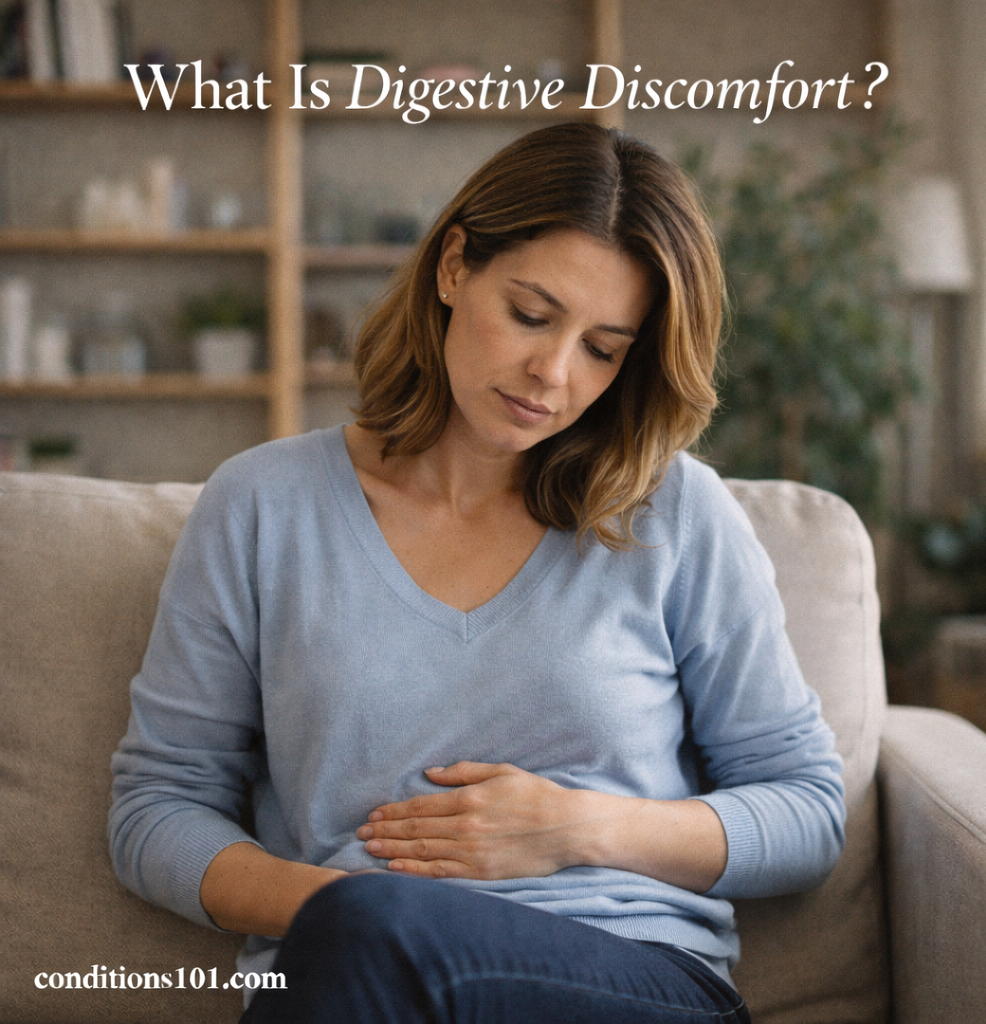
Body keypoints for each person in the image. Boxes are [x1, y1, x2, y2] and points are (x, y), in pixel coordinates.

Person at [109, 123, 845, 1024]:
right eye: (532, 315)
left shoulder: (676, 514)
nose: (553, 371)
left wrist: (574, 829)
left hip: (627, 978)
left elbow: (809, 813)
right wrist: (347, 910)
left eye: (603, 349)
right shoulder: (263, 506)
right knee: (366, 949)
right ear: (454, 266)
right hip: (352, 974)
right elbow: (155, 810)